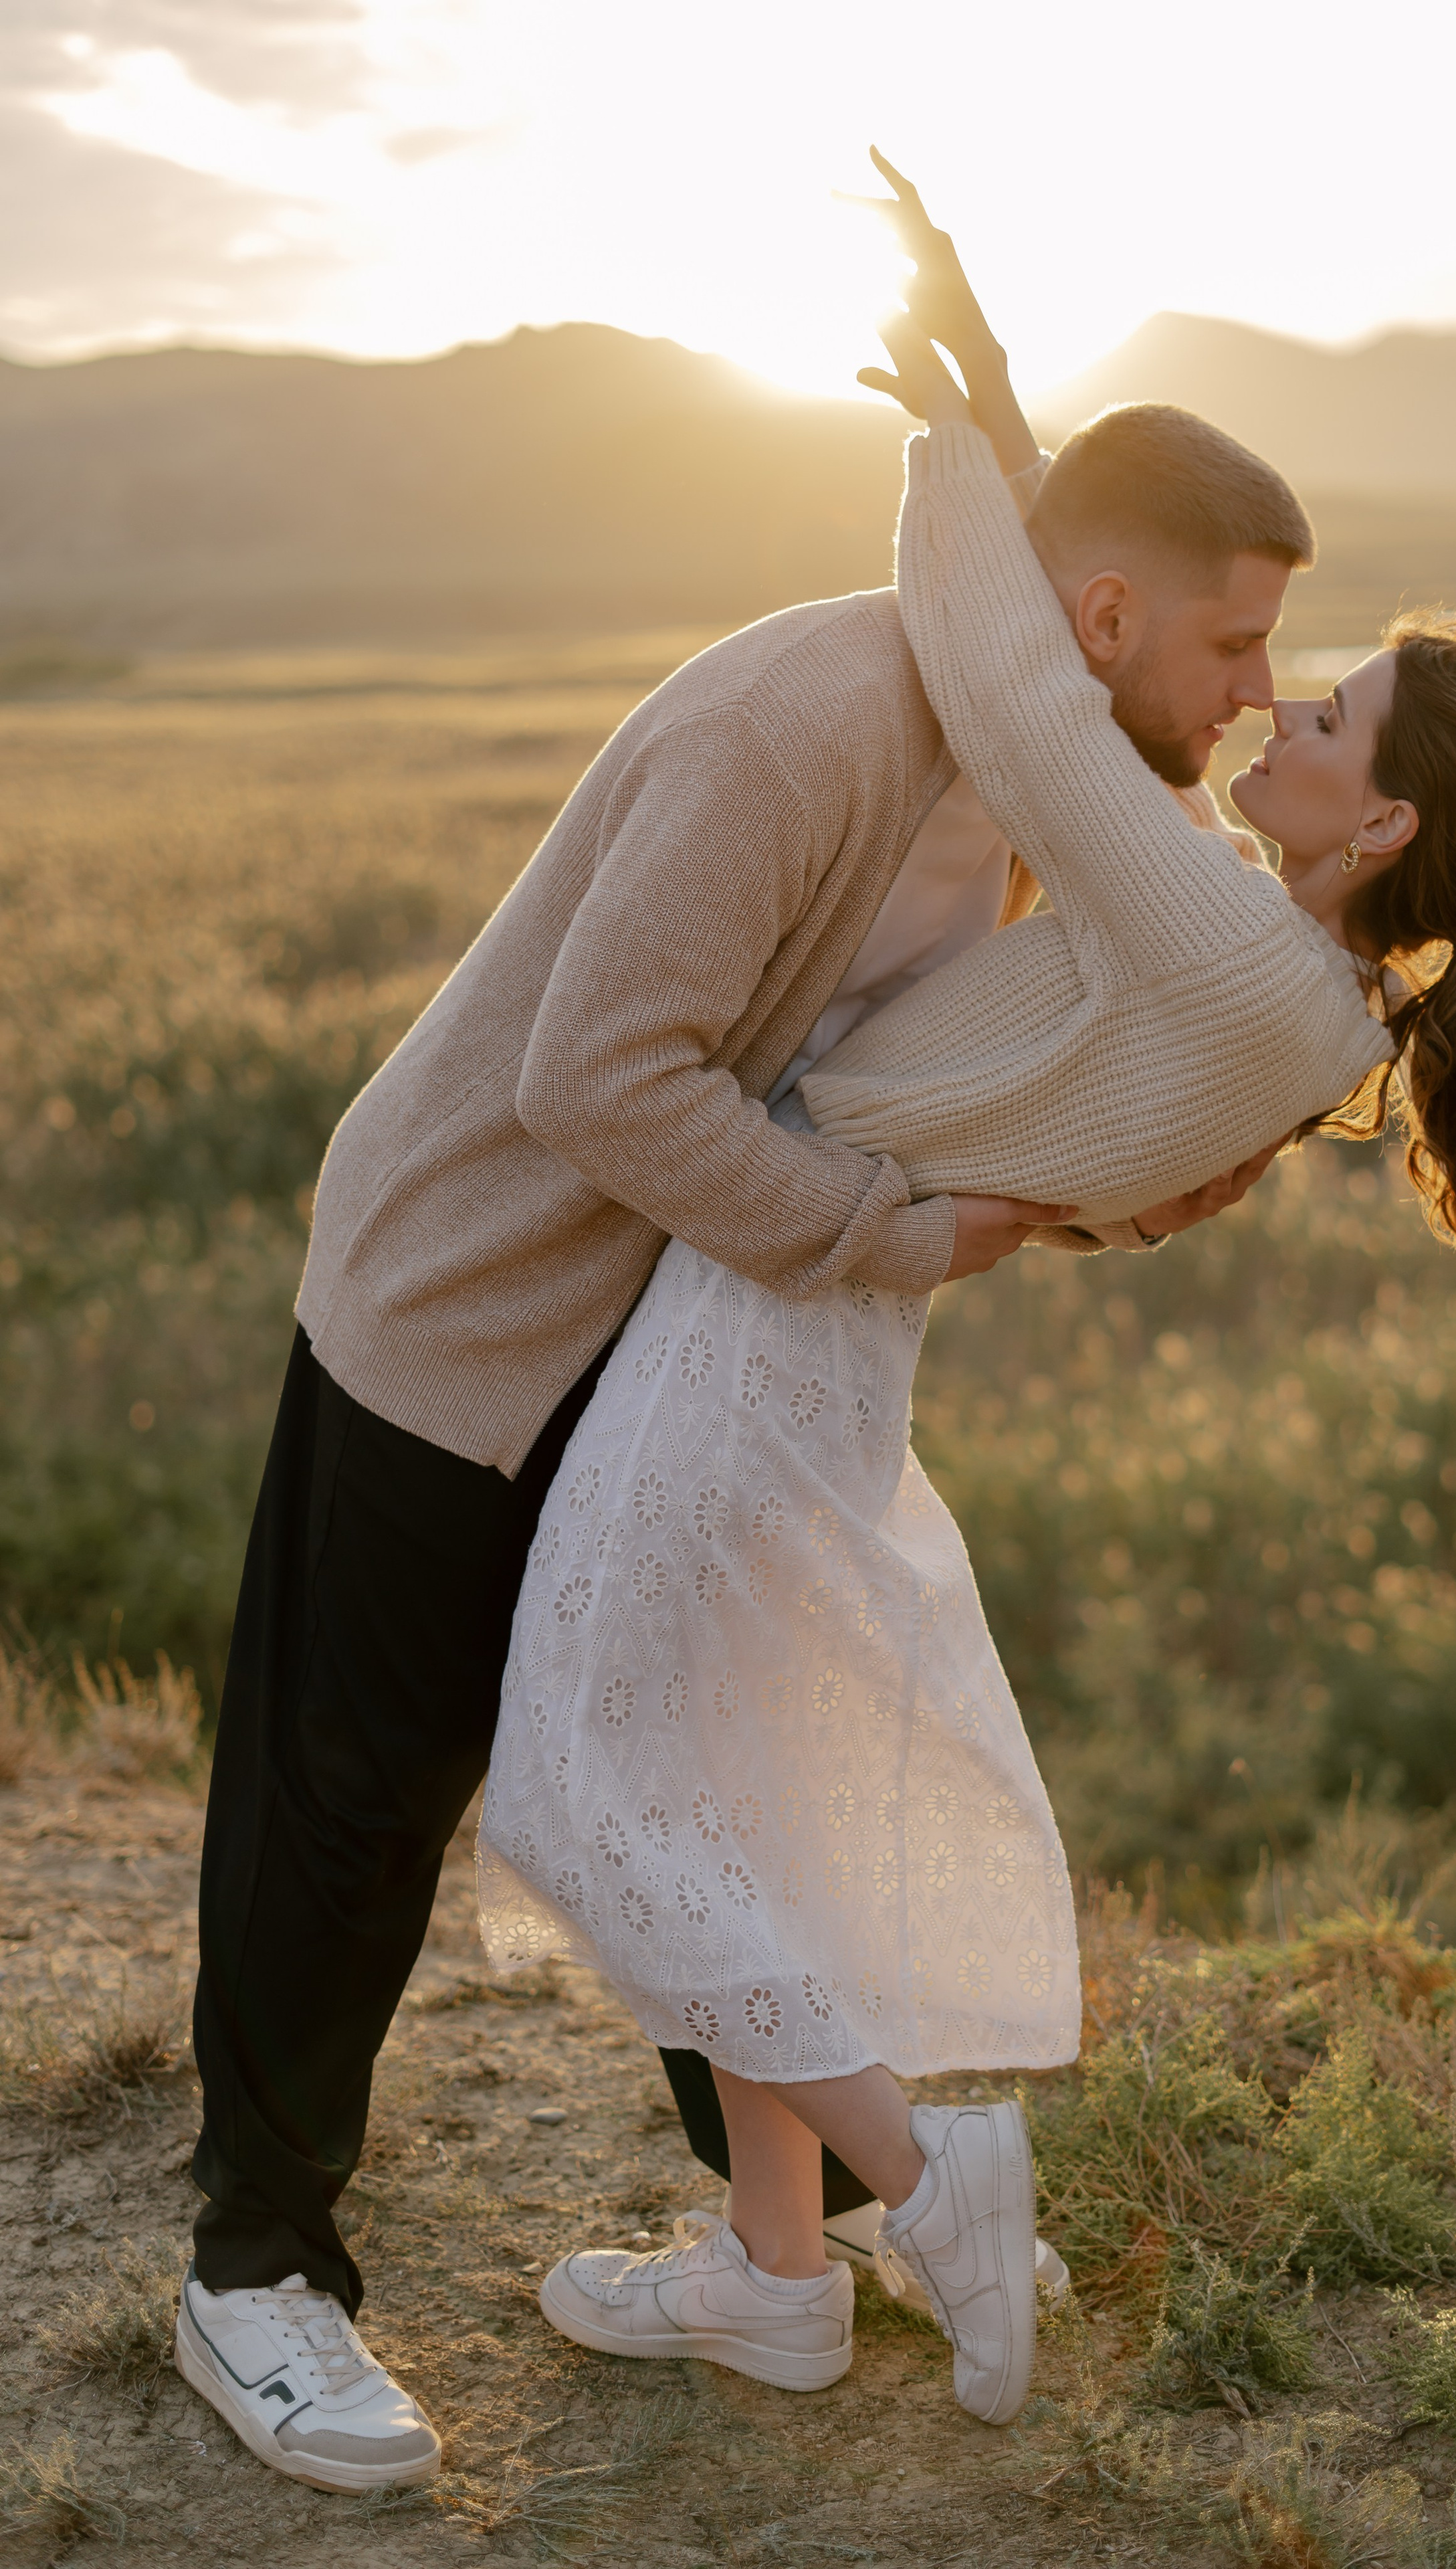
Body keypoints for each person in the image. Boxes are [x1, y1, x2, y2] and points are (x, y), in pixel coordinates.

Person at [171, 196, 1318, 2489]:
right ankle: (256, 2276)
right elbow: (605, 1077)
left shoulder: (1050, 792)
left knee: (720, 1771)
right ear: (1097, 613)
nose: (1256, 698)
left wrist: (1088, 1201)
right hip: (470, 1301)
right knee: (356, 1797)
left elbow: (915, 1087)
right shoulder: (814, 716)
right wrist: (895, 1239)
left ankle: (800, 2237)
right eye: (1234, 644)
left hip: (678, 1323)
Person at [472, 167, 1456, 2433]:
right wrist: (1007, 394)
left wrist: (955, 443)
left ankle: (933, 2179)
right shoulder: (1318, 1004)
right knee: (739, 1777)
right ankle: (773, 2279)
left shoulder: (1223, 939)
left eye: (1330, 713)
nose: (1279, 710)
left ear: (1376, 828)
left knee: (588, 1781)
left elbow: (1018, 678)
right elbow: (1106, 777)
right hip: (838, 1329)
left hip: (760, 1310)